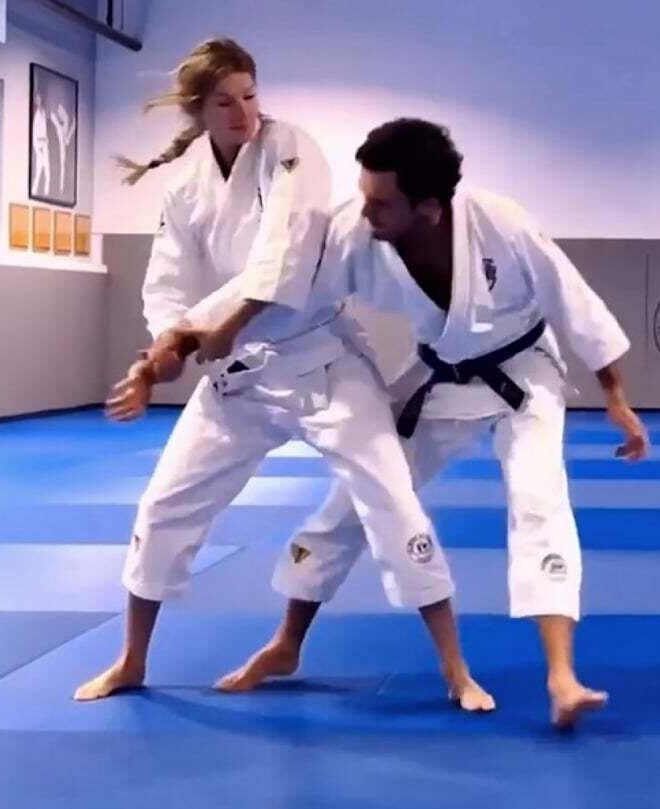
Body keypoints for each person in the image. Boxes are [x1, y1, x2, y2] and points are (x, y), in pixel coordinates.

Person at [73, 43, 492, 712]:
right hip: (238, 379)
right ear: (198, 109)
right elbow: (168, 283)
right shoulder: (185, 186)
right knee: (163, 506)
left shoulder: (290, 149)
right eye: (224, 101)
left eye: (249, 94)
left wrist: (211, 329)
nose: (243, 111)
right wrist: (164, 347)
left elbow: (285, 254)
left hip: (322, 363)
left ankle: (456, 670)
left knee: (392, 496)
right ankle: (131, 660)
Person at [217, 118, 649, 728]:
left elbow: (573, 302)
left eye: (381, 202)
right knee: (359, 495)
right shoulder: (355, 232)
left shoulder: (502, 223)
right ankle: (286, 643)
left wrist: (616, 398)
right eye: (364, 195)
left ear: (429, 206)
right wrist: (206, 332)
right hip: (438, 375)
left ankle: (562, 677)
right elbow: (285, 289)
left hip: (524, 374)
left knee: (540, 500)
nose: (366, 211)